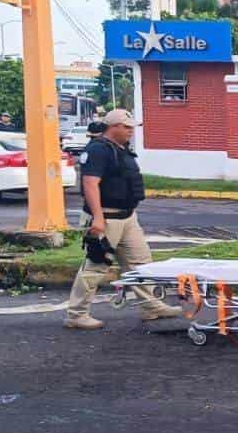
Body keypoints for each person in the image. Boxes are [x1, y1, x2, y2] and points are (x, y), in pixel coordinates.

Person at [64, 109, 183, 330]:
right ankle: (77, 314)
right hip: (106, 217)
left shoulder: (120, 149)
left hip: (127, 217)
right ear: (113, 127)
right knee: (96, 265)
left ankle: (150, 306)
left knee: (140, 262)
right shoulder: (98, 149)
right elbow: (90, 184)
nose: (131, 131)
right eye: (127, 127)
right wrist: (98, 219)